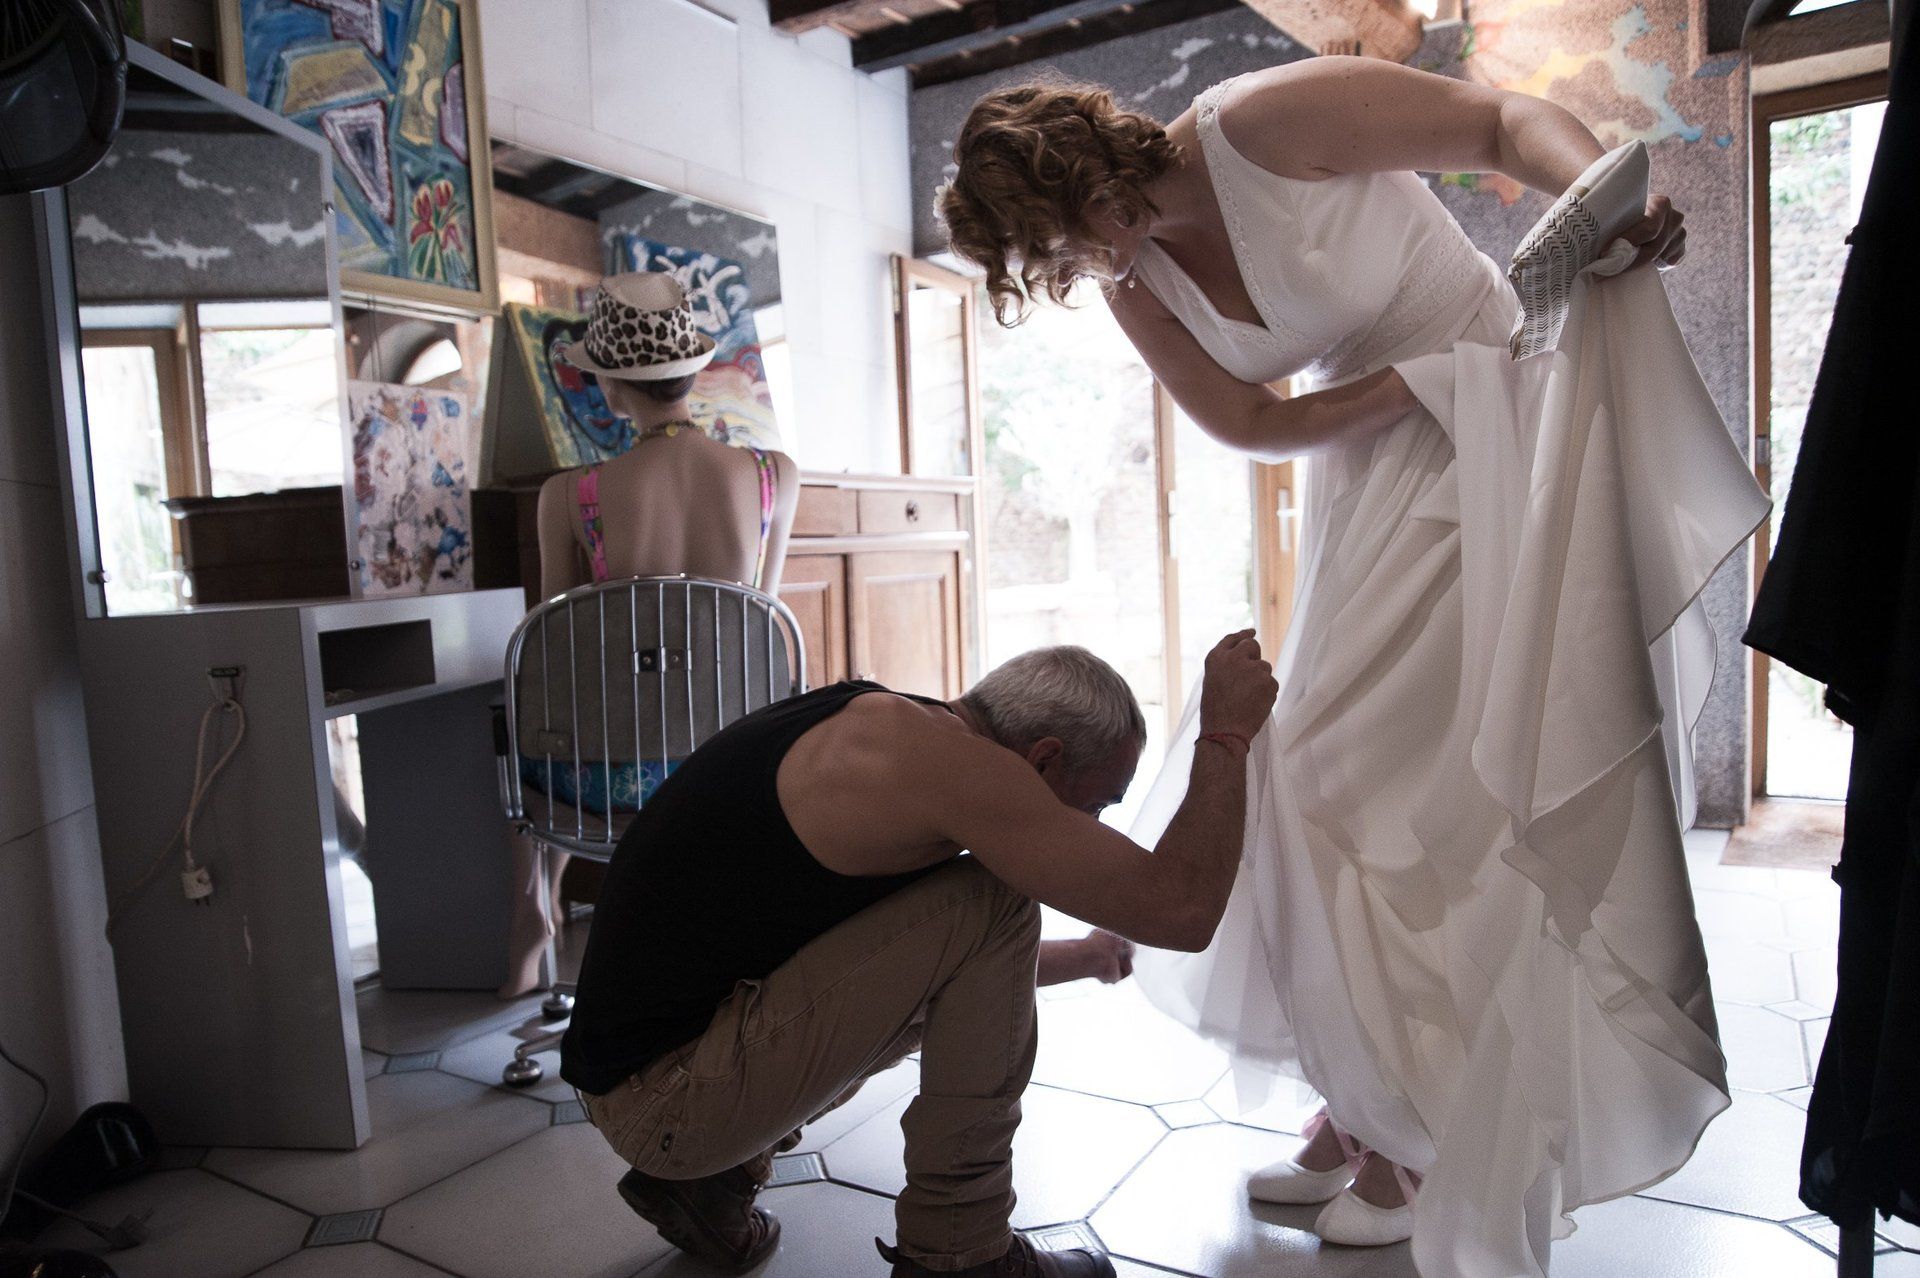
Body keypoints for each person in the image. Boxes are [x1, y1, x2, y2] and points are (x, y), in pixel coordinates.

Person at [940, 59, 1766, 1274]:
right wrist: (1415, 387)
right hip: (1380, 456)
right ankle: (1371, 1108)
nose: (1070, 268)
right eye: (1045, 260)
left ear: (1083, 178)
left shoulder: (1259, 125)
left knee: (1415, 783)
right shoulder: (1132, 280)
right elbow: (1254, 424)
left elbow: (1495, 118)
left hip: (1496, 429)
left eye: (1054, 239)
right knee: (1309, 779)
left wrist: (1599, 190)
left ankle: (1421, 1137)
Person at [560, 639, 1278, 1278]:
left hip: (643, 1079)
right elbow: (1183, 910)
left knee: (979, 911)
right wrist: (1225, 734)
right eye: (1094, 806)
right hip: (667, 1102)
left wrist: (1088, 955)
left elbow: (925, 964)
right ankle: (961, 1251)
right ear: (1045, 758)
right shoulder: (952, 769)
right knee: (997, 899)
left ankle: (707, 1188)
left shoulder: (893, 730)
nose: (1088, 829)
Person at [498, 270, 802, 999]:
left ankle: (533, 907)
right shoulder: (775, 476)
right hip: (732, 765)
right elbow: (760, 621)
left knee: (530, 731)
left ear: (607, 389)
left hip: (612, 775)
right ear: (695, 371)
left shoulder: (569, 496)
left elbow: (554, 654)